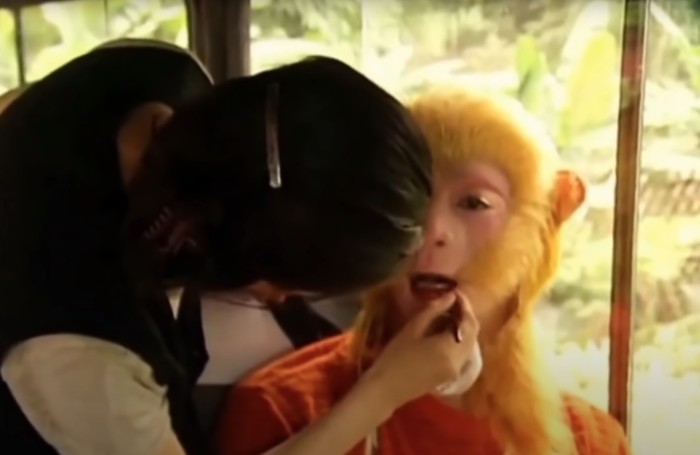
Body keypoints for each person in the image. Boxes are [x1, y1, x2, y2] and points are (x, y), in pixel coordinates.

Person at [0, 38, 439, 455]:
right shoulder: (81, 345)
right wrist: (385, 391)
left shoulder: (162, 70)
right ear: (246, 247)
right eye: (293, 285)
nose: (281, 299)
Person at [214, 87, 632, 455]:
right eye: (412, 200)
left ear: (546, 219)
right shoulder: (285, 409)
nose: (431, 232)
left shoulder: (590, 442)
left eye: (473, 203)